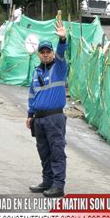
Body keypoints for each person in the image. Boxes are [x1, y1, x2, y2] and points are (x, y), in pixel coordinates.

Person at [27, 20, 68, 198]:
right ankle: (47, 181)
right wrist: (30, 115)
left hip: (54, 118)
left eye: (48, 51)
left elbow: (61, 51)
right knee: (43, 152)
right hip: (39, 119)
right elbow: (31, 95)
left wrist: (63, 39)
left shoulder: (59, 67)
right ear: (38, 54)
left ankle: (58, 186)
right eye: (42, 52)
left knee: (56, 151)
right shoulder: (37, 72)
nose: (45, 54)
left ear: (52, 53)